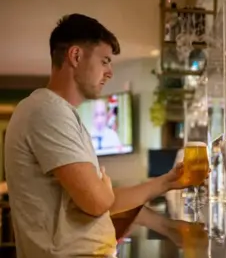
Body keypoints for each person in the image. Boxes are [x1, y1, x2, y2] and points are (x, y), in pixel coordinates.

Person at [4, 14, 190, 258]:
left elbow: (106, 201)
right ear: (76, 56)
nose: (110, 72)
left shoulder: (63, 114)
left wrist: (166, 182)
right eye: (104, 61)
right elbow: (98, 202)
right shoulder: (47, 110)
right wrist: (102, 192)